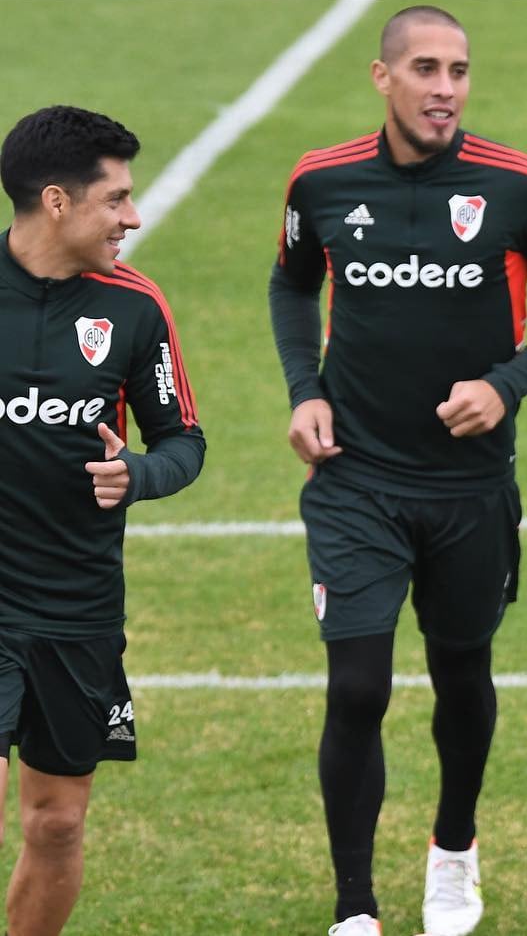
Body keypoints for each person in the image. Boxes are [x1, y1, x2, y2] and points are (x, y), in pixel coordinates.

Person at [267, 6, 527, 936]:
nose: (445, 88)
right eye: (425, 68)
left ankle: (452, 851)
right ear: (383, 78)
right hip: (356, 479)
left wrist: (506, 386)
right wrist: (307, 389)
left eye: (458, 70)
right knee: (358, 687)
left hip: (470, 488)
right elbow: (293, 281)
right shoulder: (322, 182)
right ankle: (354, 908)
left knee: (462, 674)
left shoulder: (520, 185)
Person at [0, 106, 205, 936]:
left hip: (78, 600)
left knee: (57, 822)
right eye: (116, 198)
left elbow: (183, 441)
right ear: (56, 201)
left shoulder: (135, 308)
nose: (133, 215)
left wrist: (140, 474)